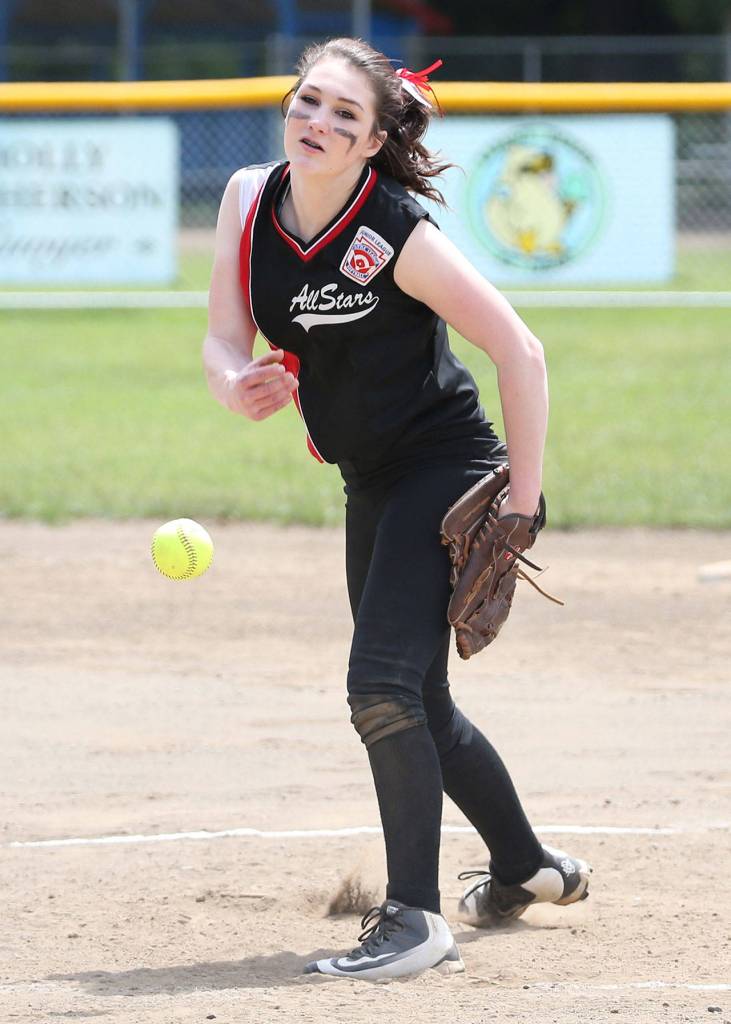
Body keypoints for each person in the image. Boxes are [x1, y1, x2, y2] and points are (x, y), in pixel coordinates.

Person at [202, 37, 591, 982]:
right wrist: (235, 384)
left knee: (377, 686)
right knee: (418, 698)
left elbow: (520, 352)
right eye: (309, 101)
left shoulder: (397, 233)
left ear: (374, 141)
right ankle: (525, 867)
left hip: (444, 465)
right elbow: (222, 336)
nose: (319, 122)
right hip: (370, 475)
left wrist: (522, 506)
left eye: (345, 113)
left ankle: (412, 919)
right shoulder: (250, 201)